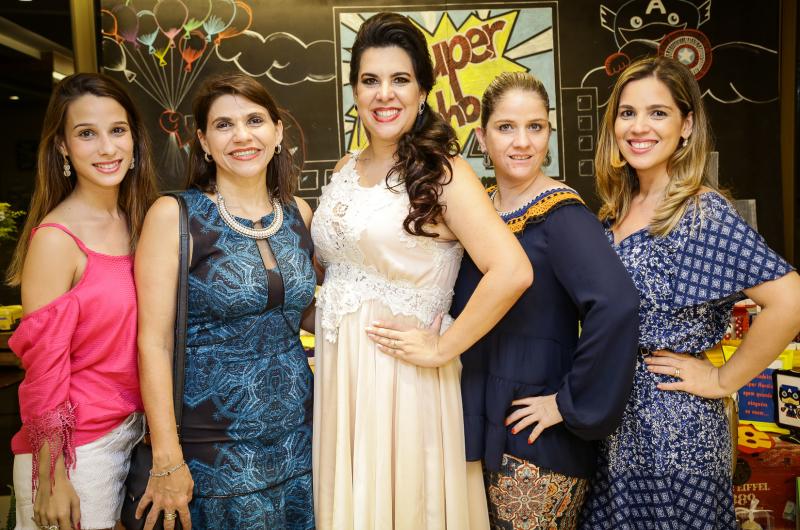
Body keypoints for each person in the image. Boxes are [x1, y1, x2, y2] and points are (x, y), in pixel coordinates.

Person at [312, 12, 532, 530]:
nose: (384, 94)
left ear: (422, 91)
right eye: (370, 80)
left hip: (404, 380)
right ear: (355, 91)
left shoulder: (443, 174)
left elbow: (512, 271)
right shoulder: (345, 168)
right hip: (343, 379)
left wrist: (442, 347)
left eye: (400, 79)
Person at [579, 56, 800, 528]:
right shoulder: (616, 211)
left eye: (658, 112)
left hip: (675, 429)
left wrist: (722, 380)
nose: (639, 127)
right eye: (627, 112)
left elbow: (790, 300)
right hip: (615, 423)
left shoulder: (700, 213)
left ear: (687, 125)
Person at [448, 72, 640, 530]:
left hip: (533, 434)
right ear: (482, 138)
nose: (522, 142)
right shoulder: (476, 209)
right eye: (506, 127)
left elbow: (617, 305)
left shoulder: (563, 215)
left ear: (549, 134)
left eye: (535, 127)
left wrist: (567, 404)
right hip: (474, 416)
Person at [134, 73, 316, 529]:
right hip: (212, 451)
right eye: (223, 125)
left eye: (254, 120)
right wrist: (167, 457)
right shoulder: (174, 216)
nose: (241, 136)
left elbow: (307, 312)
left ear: (277, 132)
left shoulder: (299, 213)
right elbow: (153, 343)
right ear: (203, 141)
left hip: (300, 440)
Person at [7, 73, 158, 530]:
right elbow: (43, 370)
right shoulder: (57, 239)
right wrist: (52, 476)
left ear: (134, 138)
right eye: (87, 134)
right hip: (78, 452)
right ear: (63, 147)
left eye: (117, 130)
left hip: (133, 433)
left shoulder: (140, 219)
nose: (107, 148)